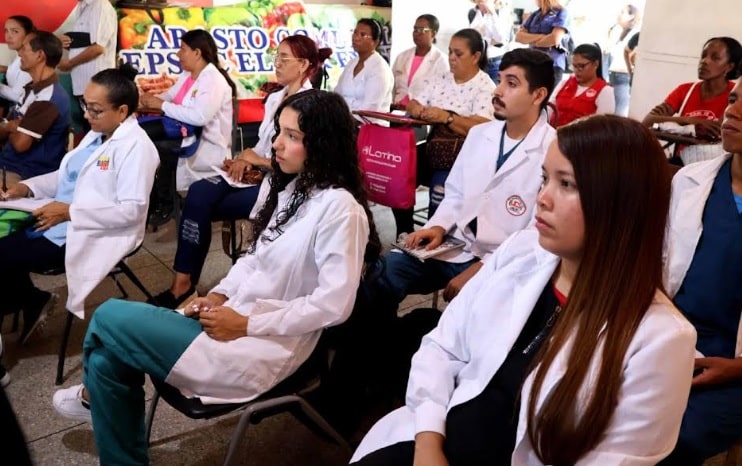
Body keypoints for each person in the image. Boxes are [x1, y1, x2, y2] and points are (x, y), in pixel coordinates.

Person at [51, 90, 381, 466]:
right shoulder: (291, 189)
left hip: (265, 345)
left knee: (109, 314)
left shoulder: (341, 209)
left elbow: (333, 306)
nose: (276, 144)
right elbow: (255, 259)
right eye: (280, 132)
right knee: (110, 361)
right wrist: (221, 295)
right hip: (233, 320)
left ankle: (90, 396)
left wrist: (246, 324)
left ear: (323, 144)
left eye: (292, 136)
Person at [350, 114, 697, 466]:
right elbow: (442, 347)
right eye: (545, 179)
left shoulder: (661, 339)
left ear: (621, 205)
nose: (542, 199)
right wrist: (428, 447)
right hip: (434, 442)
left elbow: (615, 459)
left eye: (567, 185)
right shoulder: (521, 250)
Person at [351, 49, 555, 399]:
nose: (499, 91)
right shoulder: (481, 136)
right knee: (381, 274)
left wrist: (482, 270)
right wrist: (438, 227)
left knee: (465, 313)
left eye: (512, 83)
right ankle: (378, 365)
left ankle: (426, 380)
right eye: (500, 80)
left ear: (539, 95)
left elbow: (536, 235)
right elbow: (456, 195)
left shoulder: (552, 151)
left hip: (502, 265)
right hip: (455, 246)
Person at [150, 35, 331, 308]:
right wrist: (242, 160)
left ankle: (188, 287)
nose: (277, 63)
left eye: (284, 58)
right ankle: (182, 284)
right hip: (255, 173)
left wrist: (255, 159)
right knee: (199, 192)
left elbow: (308, 161)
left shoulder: (313, 104)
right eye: (276, 56)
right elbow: (260, 145)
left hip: (282, 182)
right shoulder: (274, 99)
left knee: (204, 206)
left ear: (304, 64)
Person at [0, 67, 158, 344]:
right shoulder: (99, 134)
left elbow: (131, 211)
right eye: (86, 105)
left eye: (95, 109)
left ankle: (29, 302)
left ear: (122, 111)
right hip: (58, 216)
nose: (86, 114)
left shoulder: (136, 148)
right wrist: (28, 187)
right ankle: (31, 299)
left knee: (3, 253)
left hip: (89, 231)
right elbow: (66, 174)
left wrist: (69, 212)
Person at [658, 77, 742, 466]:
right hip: (673, 342)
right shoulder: (690, 182)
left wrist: (737, 368)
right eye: (736, 99)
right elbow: (658, 271)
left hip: (734, 367)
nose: (733, 112)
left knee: (676, 439)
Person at [399, 28, 496, 233]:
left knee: (439, 191)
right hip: (434, 148)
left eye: (458, 54)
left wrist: (447, 117)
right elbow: (414, 103)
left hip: (461, 157)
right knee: (398, 180)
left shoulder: (484, 86)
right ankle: (404, 231)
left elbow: (483, 128)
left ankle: (432, 239)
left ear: (476, 56)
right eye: (450, 51)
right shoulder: (441, 78)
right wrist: (416, 108)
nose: (451, 58)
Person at [139, 29, 236, 225]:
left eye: (183, 49)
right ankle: (150, 201)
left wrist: (161, 106)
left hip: (205, 145)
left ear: (197, 52)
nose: (178, 54)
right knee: (140, 136)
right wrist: (148, 101)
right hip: (182, 132)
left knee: (155, 148)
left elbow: (199, 116)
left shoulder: (213, 80)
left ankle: (163, 203)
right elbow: (170, 96)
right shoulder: (189, 75)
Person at [642, 37, 742, 162]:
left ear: (729, 66)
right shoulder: (685, 90)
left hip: (714, 163)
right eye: (703, 56)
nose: (704, 61)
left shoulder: (734, 94)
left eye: (715, 58)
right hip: (682, 160)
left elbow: (719, 131)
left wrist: (674, 123)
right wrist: (688, 120)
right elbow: (648, 121)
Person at [0, 30, 70, 186]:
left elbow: (20, 144)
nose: (19, 55)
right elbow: (6, 128)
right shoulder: (32, 89)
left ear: (39, 55)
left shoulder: (48, 99)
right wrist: (12, 126)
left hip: (25, 174)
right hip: (8, 165)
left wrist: (9, 126)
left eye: (24, 49)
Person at [58, 0, 117, 131]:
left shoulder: (100, 5)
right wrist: (64, 43)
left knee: (98, 130)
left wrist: (70, 63)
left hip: (97, 84)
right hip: (83, 85)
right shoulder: (82, 7)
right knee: (90, 129)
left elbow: (98, 48)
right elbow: (87, 44)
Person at [335, 18, 394, 122]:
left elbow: (368, 112)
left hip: (369, 129)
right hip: (344, 124)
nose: (356, 38)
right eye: (355, 33)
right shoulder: (351, 64)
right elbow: (336, 96)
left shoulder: (380, 69)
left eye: (363, 35)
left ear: (375, 42)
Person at [549, 43, 614, 126]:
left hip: (581, 138)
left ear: (596, 64)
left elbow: (602, 128)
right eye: (574, 66)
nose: (577, 70)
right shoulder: (564, 84)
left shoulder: (605, 91)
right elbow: (549, 110)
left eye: (581, 66)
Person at [391, 14, 448, 108]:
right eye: (415, 29)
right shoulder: (402, 56)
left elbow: (441, 95)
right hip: (397, 110)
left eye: (422, 30)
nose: (417, 33)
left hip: (422, 114)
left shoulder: (441, 61)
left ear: (433, 34)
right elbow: (392, 87)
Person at [515, 0, 569, 84]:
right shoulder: (535, 14)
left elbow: (554, 39)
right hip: (533, 64)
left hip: (552, 65)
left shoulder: (561, 12)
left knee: (548, 96)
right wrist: (543, 37)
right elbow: (519, 37)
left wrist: (532, 41)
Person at [605, 3, 641, 116]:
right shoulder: (618, 32)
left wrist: (630, 71)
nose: (619, 15)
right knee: (611, 111)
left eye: (623, 12)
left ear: (631, 16)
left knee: (618, 113)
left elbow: (632, 55)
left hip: (623, 76)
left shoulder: (635, 34)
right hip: (613, 74)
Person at [468, 0, 514, 84]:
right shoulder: (473, 12)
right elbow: (471, 38)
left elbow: (501, 39)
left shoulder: (501, 12)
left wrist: (492, 13)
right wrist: (490, 40)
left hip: (494, 63)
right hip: (476, 61)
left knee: (493, 94)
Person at [0, 16, 34, 110]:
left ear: (28, 34)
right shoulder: (19, 56)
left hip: (22, 115)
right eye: (6, 31)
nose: (8, 36)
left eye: (15, 31)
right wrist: (4, 69)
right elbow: (16, 71)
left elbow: (18, 96)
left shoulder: (29, 60)